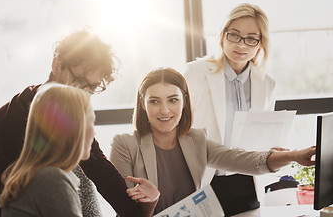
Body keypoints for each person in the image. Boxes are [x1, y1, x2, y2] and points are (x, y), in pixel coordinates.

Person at [0, 30, 159, 217]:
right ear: (56, 65)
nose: (84, 93)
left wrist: (136, 212)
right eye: (78, 80)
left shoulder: (67, 113)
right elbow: (11, 202)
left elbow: (96, 164)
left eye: (92, 87)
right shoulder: (13, 123)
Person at [110, 68, 315, 215]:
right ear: (143, 104)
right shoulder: (124, 145)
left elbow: (244, 159)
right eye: (154, 101)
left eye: (173, 100)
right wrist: (150, 202)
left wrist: (295, 156)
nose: (164, 110)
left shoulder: (197, 139)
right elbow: (127, 211)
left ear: (184, 102)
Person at [0, 83, 159, 217]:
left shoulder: (34, 175)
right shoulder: (52, 179)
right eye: (90, 123)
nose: (94, 133)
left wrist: (147, 206)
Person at [184, 3, 276, 215]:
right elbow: (180, 129)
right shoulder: (196, 73)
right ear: (222, 36)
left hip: (248, 186)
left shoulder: (267, 83)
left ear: (260, 44)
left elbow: (264, 134)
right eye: (234, 35)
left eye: (251, 38)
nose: (241, 45)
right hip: (206, 182)